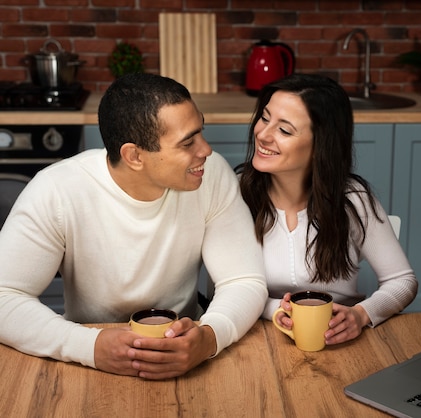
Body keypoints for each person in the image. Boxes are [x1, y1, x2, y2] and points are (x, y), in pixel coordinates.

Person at [0, 73, 267, 379]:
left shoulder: (211, 174)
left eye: (200, 131)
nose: (205, 149)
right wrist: (90, 346)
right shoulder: (57, 190)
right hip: (85, 359)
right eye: (188, 142)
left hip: (186, 349)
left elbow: (244, 279)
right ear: (134, 156)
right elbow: (4, 297)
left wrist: (208, 337)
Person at [237, 73, 418, 345]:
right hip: (256, 340)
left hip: (341, 342)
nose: (263, 134)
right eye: (265, 118)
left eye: (284, 130)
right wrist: (276, 310)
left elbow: (402, 281)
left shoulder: (354, 199)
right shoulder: (236, 194)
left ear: (320, 144)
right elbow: (226, 289)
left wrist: (361, 315)